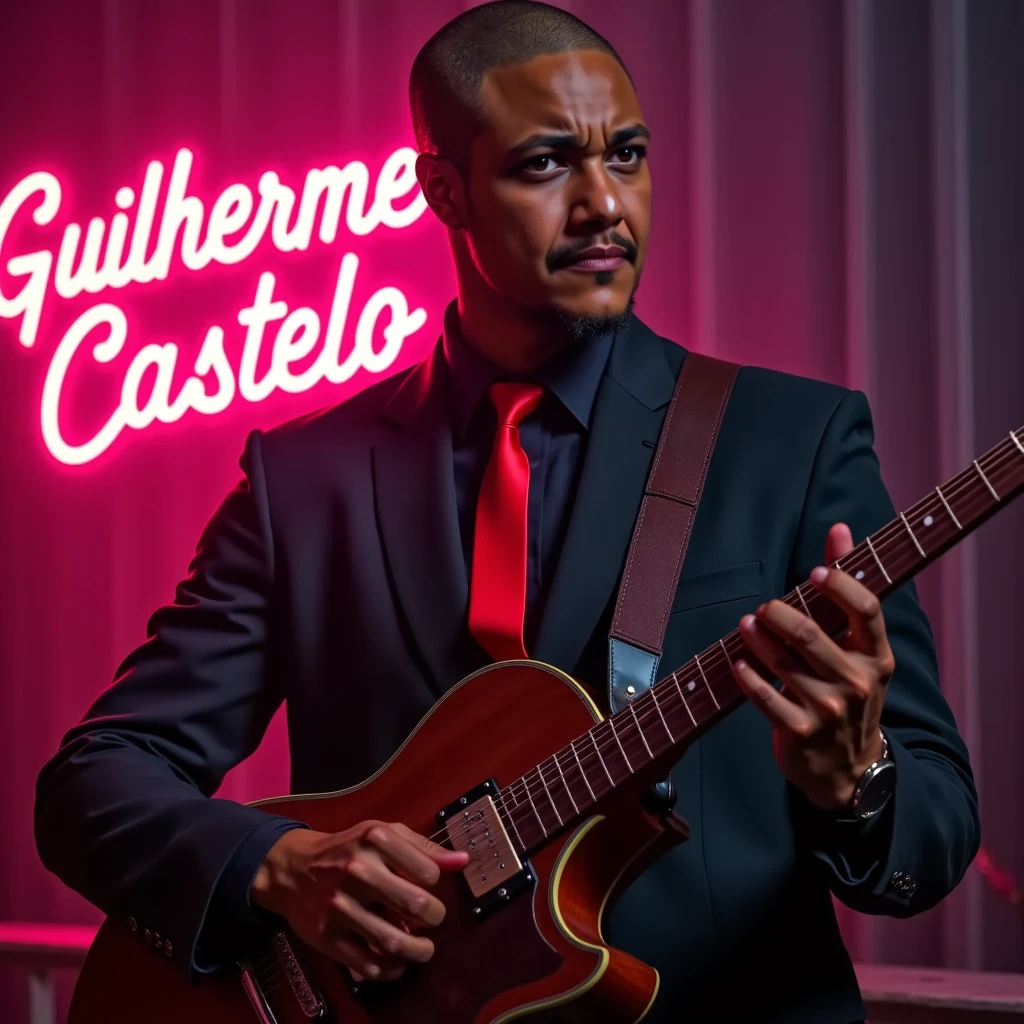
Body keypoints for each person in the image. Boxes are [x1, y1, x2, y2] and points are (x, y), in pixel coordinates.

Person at [34, 3, 979, 1021]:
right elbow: (92, 784)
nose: (603, 206)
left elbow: (932, 832)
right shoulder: (302, 481)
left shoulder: (791, 442)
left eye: (626, 155)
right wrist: (279, 864)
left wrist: (859, 782)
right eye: (545, 166)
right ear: (442, 188)